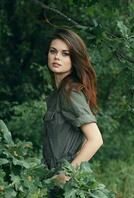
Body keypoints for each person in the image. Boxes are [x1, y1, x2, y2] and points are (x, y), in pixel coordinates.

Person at [42, 28, 103, 188]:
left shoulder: (71, 93)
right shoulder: (57, 95)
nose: (57, 57)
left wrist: (66, 175)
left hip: (67, 184)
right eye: (53, 51)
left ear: (74, 59)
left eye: (65, 54)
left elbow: (95, 139)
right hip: (52, 179)